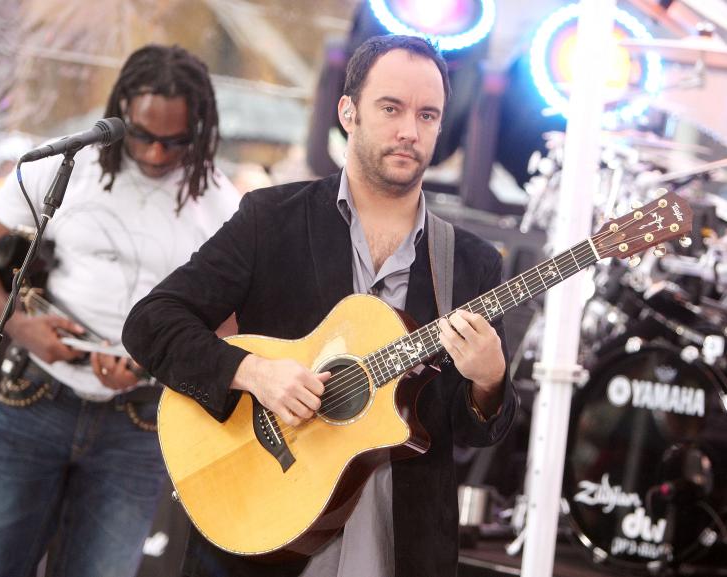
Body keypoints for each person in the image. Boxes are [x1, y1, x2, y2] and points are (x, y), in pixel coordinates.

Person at [123, 35, 518, 577]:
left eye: (428, 114)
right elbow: (151, 323)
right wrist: (254, 373)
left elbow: (469, 437)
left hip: (395, 547)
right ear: (347, 112)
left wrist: (490, 382)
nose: (410, 130)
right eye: (391, 108)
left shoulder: (471, 264)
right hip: (262, 528)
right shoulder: (270, 219)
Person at [0, 44, 241, 577]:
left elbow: (230, 327)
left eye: (176, 141)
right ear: (121, 108)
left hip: (139, 423)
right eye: (143, 135)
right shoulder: (68, 161)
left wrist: (162, 367)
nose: (157, 154)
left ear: (201, 127)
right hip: (36, 395)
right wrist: (22, 327)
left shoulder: (220, 202)